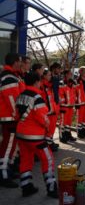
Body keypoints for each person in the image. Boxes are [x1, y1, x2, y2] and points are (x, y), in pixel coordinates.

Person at [15, 72, 58, 198]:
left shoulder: (21, 95)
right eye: (39, 82)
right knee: (48, 159)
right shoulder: (37, 97)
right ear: (36, 82)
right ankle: (51, 189)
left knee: (26, 160)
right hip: (35, 137)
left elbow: (17, 115)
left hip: (21, 134)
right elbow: (43, 118)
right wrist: (47, 125)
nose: (40, 84)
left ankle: (26, 187)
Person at [0, 53, 23, 188]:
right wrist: (17, 115)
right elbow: (12, 100)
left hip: (10, 117)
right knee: (7, 147)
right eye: (20, 61)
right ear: (15, 62)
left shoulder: (9, 75)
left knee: (9, 146)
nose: (21, 63)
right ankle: (3, 175)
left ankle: (7, 170)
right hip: (10, 118)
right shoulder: (9, 77)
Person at [41, 69, 59, 151]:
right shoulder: (43, 85)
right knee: (47, 130)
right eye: (49, 75)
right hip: (48, 112)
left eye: (50, 75)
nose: (50, 77)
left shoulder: (49, 85)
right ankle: (48, 145)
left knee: (51, 129)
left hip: (52, 110)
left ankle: (50, 143)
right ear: (44, 76)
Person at [59, 70, 77, 143]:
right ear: (66, 74)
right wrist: (64, 103)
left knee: (68, 122)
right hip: (64, 106)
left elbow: (74, 93)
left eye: (71, 74)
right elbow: (60, 95)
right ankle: (62, 137)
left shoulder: (72, 83)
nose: (71, 75)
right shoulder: (62, 83)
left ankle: (68, 135)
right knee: (63, 122)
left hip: (70, 105)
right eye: (70, 74)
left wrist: (74, 102)